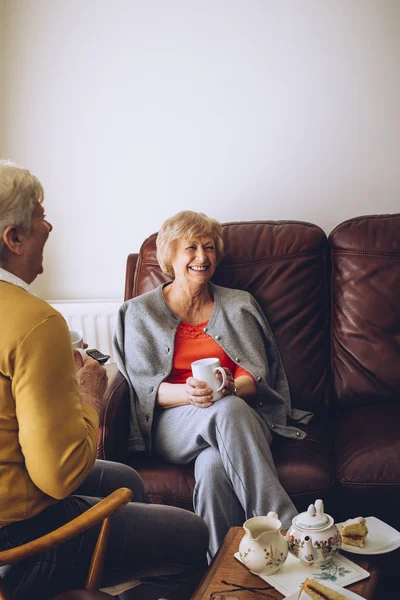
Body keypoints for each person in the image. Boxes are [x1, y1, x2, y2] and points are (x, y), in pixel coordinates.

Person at [0, 162, 208, 600]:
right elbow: (61, 477)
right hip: (15, 542)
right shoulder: (32, 323)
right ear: (13, 238)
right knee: (191, 536)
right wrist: (89, 396)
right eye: (39, 214)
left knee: (126, 479)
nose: (50, 222)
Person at [115, 210, 314, 561]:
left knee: (212, 465)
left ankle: (220, 573)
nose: (202, 257)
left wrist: (230, 389)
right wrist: (188, 394)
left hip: (241, 418)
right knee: (225, 411)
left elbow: (256, 376)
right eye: (190, 248)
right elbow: (144, 391)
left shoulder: (239, 304)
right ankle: (286, 528)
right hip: (174, 424)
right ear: (170, 257)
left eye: (209, 248)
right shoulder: (139, 313)